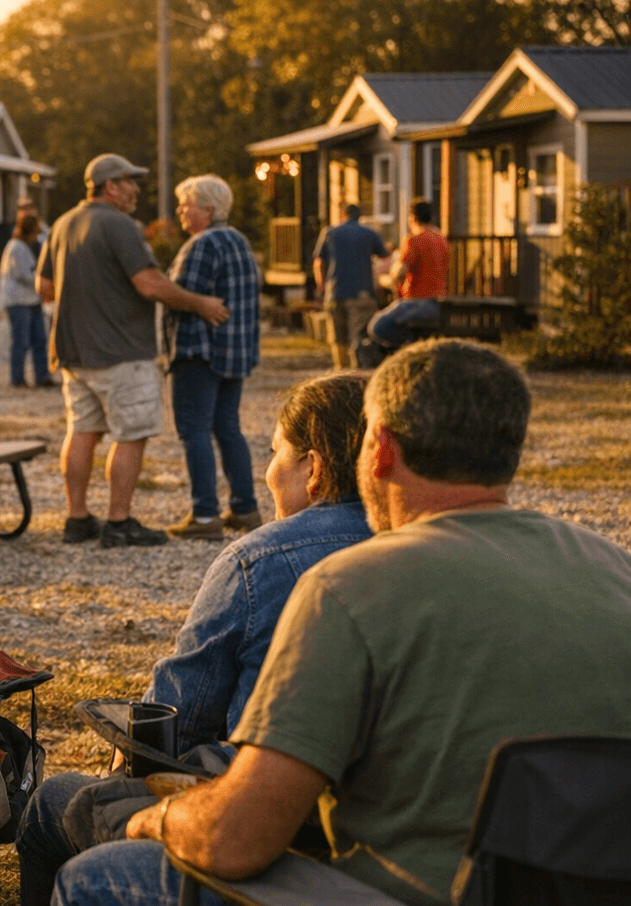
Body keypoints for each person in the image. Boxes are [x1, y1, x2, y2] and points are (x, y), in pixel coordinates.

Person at [48, 339, 631, 906]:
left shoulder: (351, 585)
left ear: (377, 450)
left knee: (94, 877)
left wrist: (159, 817)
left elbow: (238, 840)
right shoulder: (611, 567)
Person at [15, 374, 373, 906]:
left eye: (275, 453)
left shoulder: (259, 561)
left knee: (53, 805)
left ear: (314, 469)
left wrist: (123, 782)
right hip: (379, 830)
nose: (269, 472)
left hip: (264, 825)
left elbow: (174, 723)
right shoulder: (421, 549)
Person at [37, 154, 228, 549]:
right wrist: (201, 304)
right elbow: (150, 284)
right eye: (130, 181)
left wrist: (90, 292)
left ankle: (77, 519)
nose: (136, 189)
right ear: (110, 186)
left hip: (74, 353)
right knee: (130, 435)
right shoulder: (118, 224)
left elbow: (44, 288)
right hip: (122, 352)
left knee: (82, 432)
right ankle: (119, 522)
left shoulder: (63, 223)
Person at [163, 175, 262, 540]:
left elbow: (178, 296)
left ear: (206, 208)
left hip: (199, 351)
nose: (179, 212)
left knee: (194, 430)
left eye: (185, 205)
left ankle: (204, 515)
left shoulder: (201, 245)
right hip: (235, 352)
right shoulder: (239, 241)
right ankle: (244, 506)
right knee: (228, 428)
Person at [364, 199, 448, 365]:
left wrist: (393, 279)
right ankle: (417, 349)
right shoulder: (441, 240)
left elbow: (398, 272)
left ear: (412, 218)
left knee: (377, 326)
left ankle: (412, 350)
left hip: (416, 301)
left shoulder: (413, 240)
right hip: (439, 302)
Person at [311, 203, 390, 370]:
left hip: (335, 292)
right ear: (359, 217)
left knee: (338, 339)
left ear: (342, 215)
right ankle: (357, 374)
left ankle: (340, 371)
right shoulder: (369, 233)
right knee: (358, 337)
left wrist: (321, 286)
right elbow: (384, 255)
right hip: (361, 293)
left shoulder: (329, 233)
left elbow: (318, 263)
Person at [0, 209, 54, 388]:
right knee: (21, 342)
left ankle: (42, 376)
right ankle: (17, 378)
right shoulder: (17, 247)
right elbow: (26, 275)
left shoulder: (29, 246)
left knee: (40, 340)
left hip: (31, 301)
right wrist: (46, 282)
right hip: (19, 302)